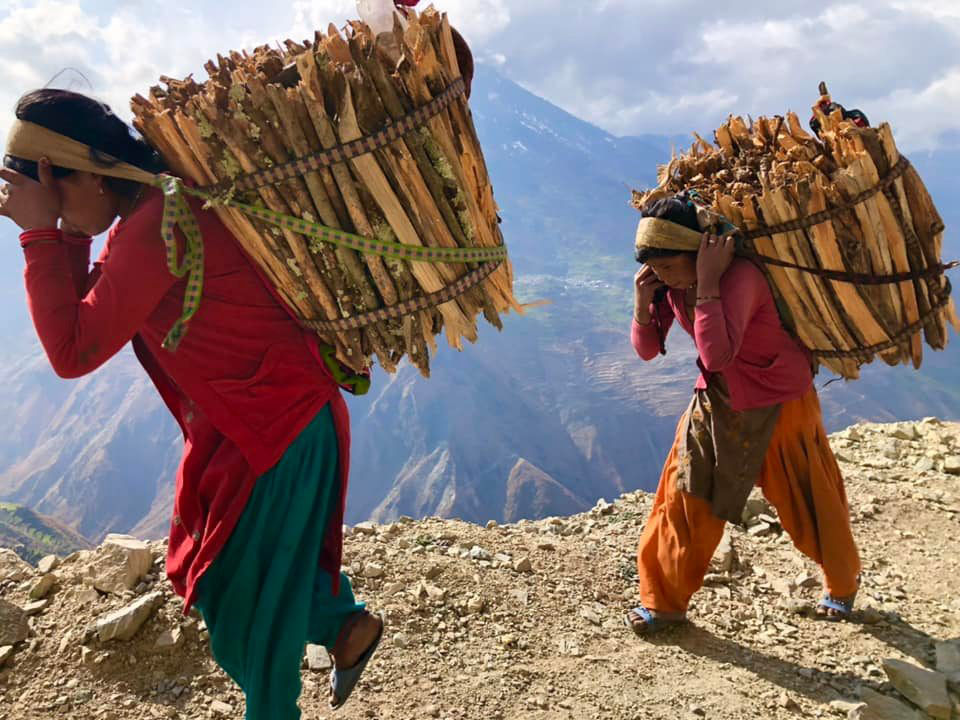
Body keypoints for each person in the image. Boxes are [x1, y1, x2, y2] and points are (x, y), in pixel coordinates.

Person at [0, 88, 381, 718]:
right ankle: (345, 629)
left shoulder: (157, 226)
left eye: (56, 190)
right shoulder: (153, 212)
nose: (56, 206)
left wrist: (42, 232)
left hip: (275, 431)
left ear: (86, 175)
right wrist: (64, 229)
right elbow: (89, 313)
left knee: (247, 611)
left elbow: (73, 351)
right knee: (228, 580)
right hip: (258, 425)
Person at [624, 193, 862, 634]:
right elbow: (647, 350)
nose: (663, 277)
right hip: (717, 400)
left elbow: (717, 353)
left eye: (670, 266)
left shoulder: (741, 278)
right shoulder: (669, 284)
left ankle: (843, 583)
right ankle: (663, 602)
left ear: (700, 250)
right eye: (653, 268)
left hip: (780, 401)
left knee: (807, 498)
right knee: (684, 495)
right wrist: (644, 301)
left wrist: (709, 282)